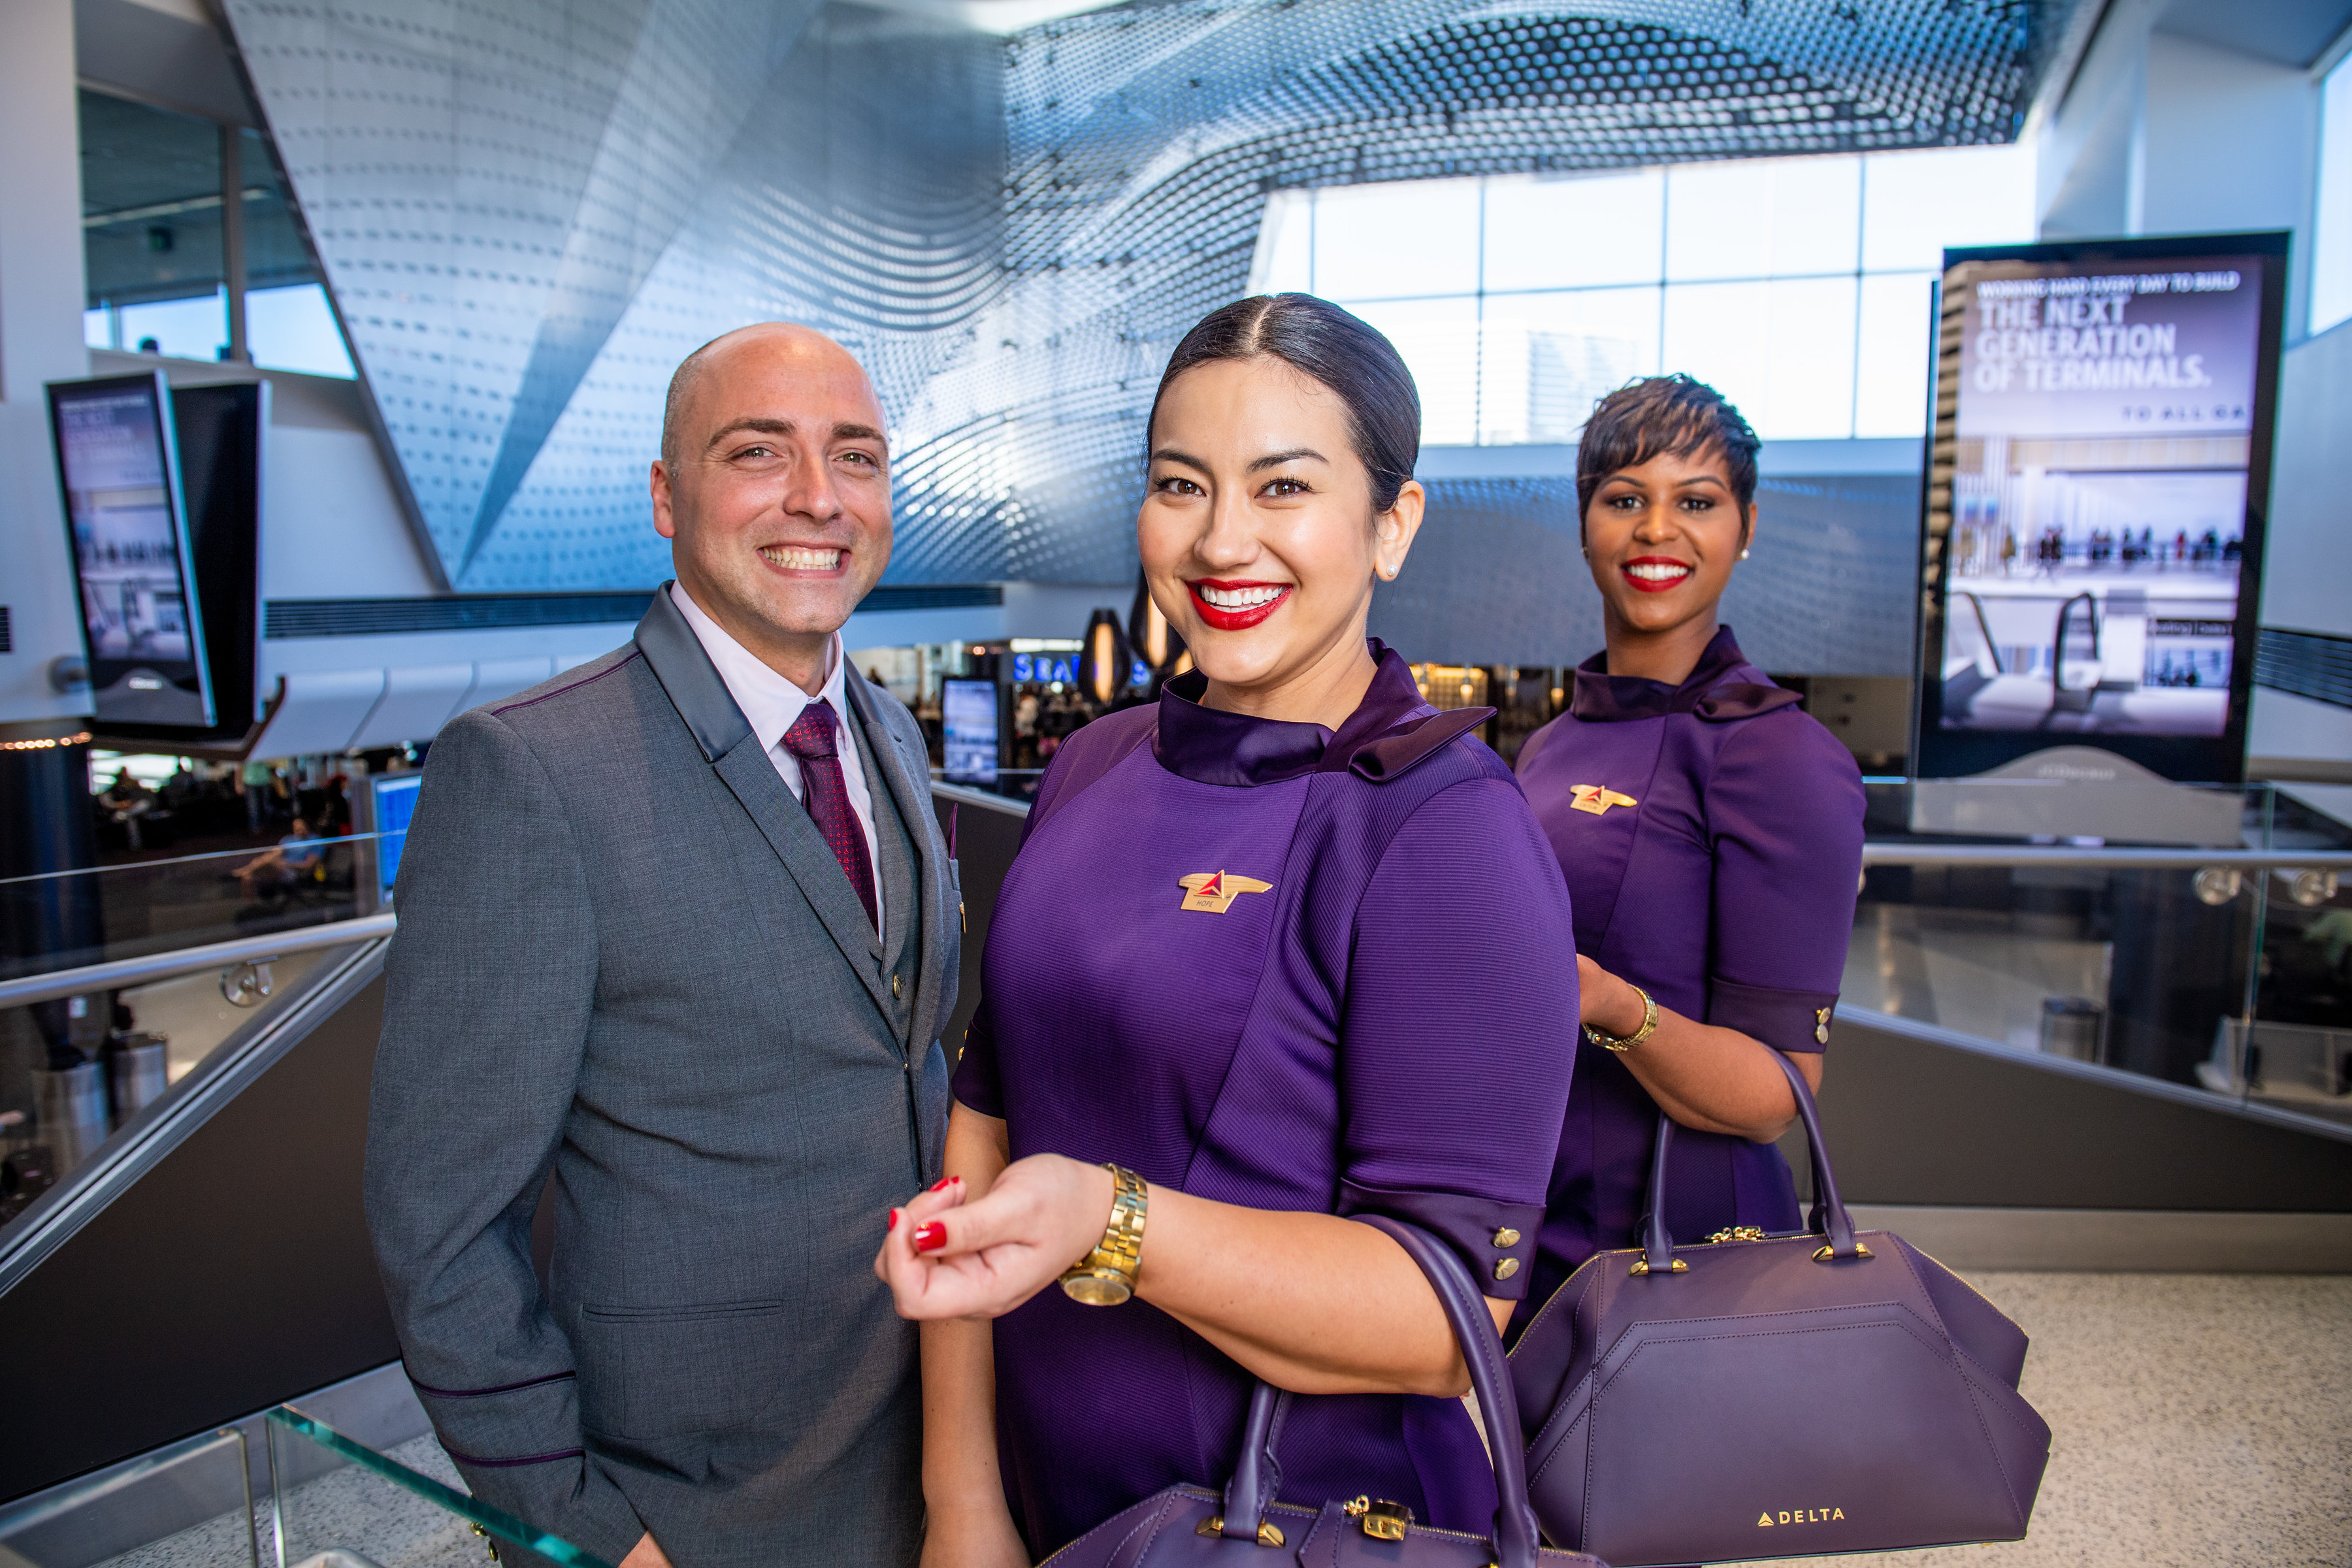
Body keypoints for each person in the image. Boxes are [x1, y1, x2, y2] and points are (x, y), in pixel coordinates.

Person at [875, 294, 1581, 1565]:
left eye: (1283, 487)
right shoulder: (1095, 766)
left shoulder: (1443, 830)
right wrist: (962, 1495)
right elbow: (983, 1120)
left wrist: (1111, 1220)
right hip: (1046, 1500)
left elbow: (1443, 1314)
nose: (1221, 540)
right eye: (1181, 485)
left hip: (1303, 1524)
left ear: (1393, 524)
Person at [366, 323, 962, 1568]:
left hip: (925, 1477)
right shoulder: (530, 772)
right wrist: (591, 1537)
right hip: (691, 1520)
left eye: (856, 456)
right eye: (760, 452)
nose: (820, 497)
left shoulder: (891, 737)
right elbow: (442, 1234)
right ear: (665, 497)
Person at [1510, 375, 1865, 1326]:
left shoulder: (1778, 755)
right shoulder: (1553, 744)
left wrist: (1610, 1003)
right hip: (1537, 1216)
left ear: (1746, 526)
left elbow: (1777, 1095)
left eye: (1696, 503)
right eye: (1625, 499)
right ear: (1585, 524)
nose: (1657, 530)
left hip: (1688, 1245)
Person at [233, 816, 321, 894]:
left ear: (306, 825)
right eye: (295, 825)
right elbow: (274, 853)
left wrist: (287, 864)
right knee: (248, 876)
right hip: (279, 867)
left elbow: (308, 865)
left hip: (296, 871)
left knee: (268, 861)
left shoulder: (314, 841)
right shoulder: (288, 839)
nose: (298, 828)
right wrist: (276, 860)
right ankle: (252, 905)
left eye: (300, 825)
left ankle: (246, 869)